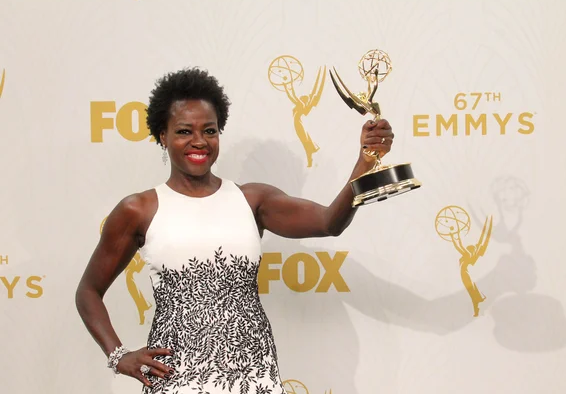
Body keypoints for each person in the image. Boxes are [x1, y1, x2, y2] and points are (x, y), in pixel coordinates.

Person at [75, 67, 395, 394]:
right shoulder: (139, 209)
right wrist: (118, 355)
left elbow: (329, 222)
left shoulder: (252, 199)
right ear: (162, 136)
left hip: (253, 375)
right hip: (177, 380)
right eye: (184, 131)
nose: (199, 141)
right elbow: (88, 291)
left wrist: (366, 163)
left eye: (209, 131)